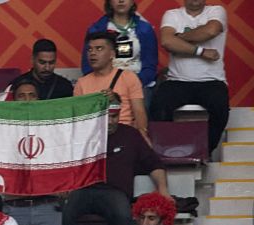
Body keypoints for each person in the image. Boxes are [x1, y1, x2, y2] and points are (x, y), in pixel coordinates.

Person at [155, 0, 228, 152]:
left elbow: (210, 31)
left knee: (220, 108)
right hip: (177, 80)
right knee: (158, 107)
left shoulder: (216, 11)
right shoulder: (172, 14)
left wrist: (178, 38)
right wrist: (202, 52)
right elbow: (167, 41)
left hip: (211, 81)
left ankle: (204, 151)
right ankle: (168, 151)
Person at [76, 32, 148, 134]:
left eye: (99, 48)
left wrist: (142, 135)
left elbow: (139, 113)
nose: (92, 53)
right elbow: (79, 118)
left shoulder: (129, 77)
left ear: (112, 54)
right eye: (90, 49)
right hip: (94, 134)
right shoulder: (81, 83)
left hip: (123, 133)